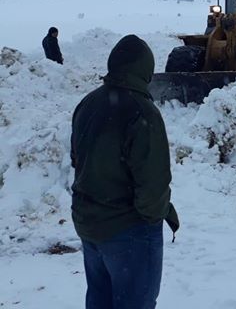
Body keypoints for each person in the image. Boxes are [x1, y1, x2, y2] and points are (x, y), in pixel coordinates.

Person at [70, 34, 179, 309]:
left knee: (100, 299)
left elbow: (77, 159)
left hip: (90, 223)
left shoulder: (88, 103)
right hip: (128, 230)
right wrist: (153, 219)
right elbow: (153, 185)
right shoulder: (142, 112)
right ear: (145, 69)